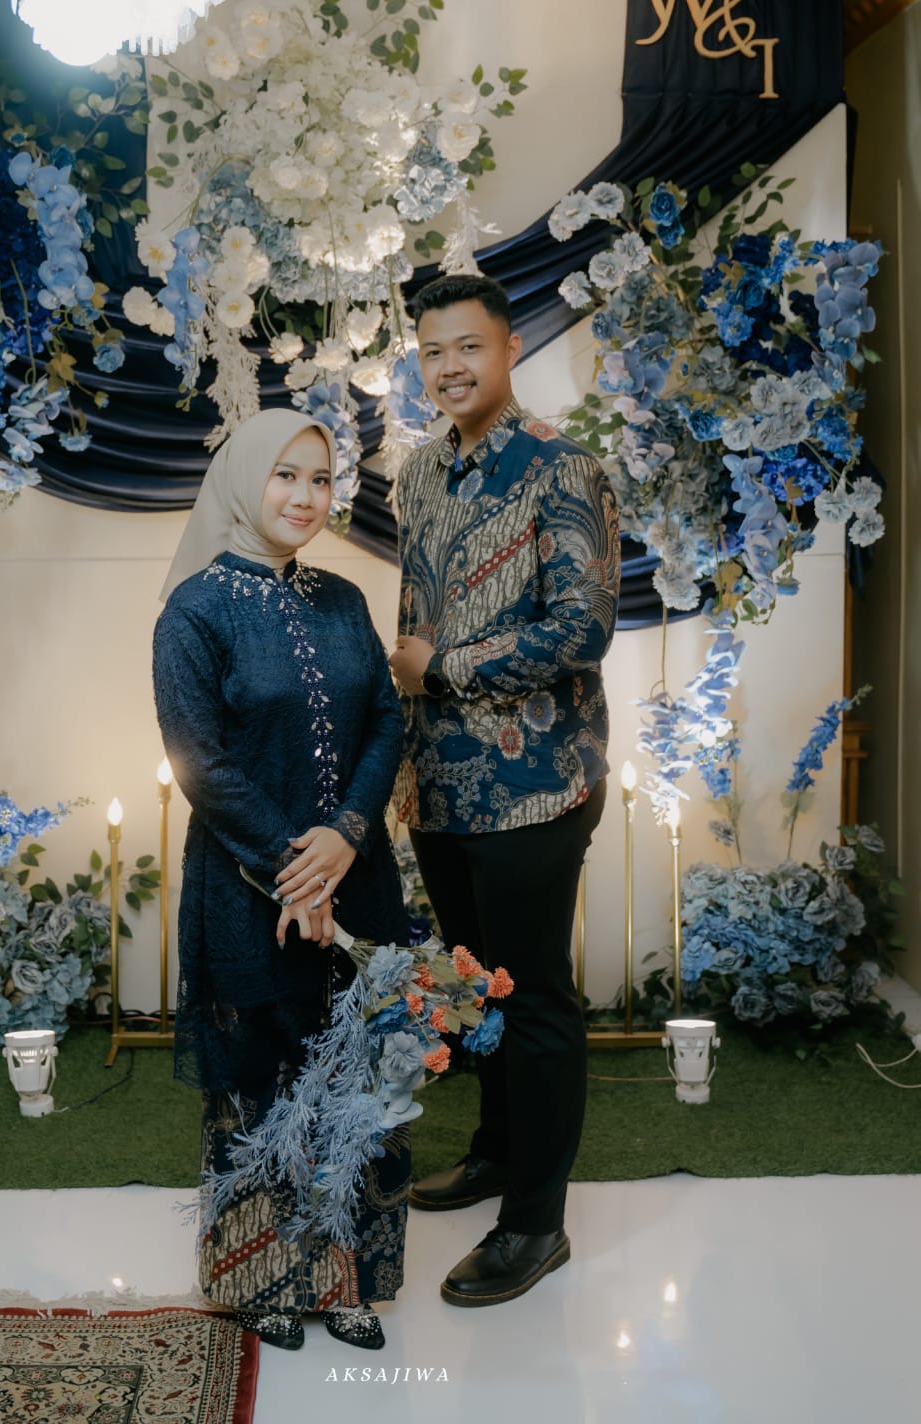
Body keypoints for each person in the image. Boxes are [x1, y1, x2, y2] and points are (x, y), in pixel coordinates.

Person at [153, 409, 410, 1353]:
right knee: (259, 1078)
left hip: (358, 878)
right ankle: (262, 1276)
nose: (305, 497)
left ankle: (348, 1277)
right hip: (245, 887)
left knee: (355, 1074)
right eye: (285, 475)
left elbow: (385, 721)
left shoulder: (343, 599)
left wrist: (346, 836)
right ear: (243, 481)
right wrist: (297, 874)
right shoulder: (195, 611)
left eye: (321, 478)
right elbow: (199, 760)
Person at [389, 272, 620, 1308]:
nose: (449, 367)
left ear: (509, 349)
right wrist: (406, 737)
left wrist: (442, 670)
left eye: (467, 347)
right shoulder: (418, 472)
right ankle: (494, 1148)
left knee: (531, 999)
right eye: (432, 351)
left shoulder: (564, 468)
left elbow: (583, 626)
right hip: (442, 784)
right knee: (472, 983)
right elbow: (416, 617)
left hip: (535, 784)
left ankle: (535, 1222)